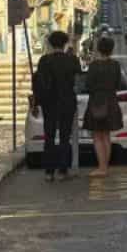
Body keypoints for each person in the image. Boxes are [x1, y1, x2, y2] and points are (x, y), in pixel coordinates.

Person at [32, 30, 83, 181]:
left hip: (49, 103)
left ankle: (49, 172)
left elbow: (38, 83)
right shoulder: (72, 60)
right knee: (64, 137)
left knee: (49, 136)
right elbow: (78, 80)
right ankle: (63, 170)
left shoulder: (44, 61)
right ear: (65, 43)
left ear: (50, 44)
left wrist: (36, 102)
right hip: (67, 102)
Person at [83, 35, 126, 178]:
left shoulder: (94, 66)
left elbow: (88, 85)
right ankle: (105, 167)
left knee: (97, 136)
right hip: (111, 101)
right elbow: (118, 84)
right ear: (111, 49)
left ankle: (102, 168)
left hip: (97, 102)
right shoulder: (115, 65)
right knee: (107, 136)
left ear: (98, 49)